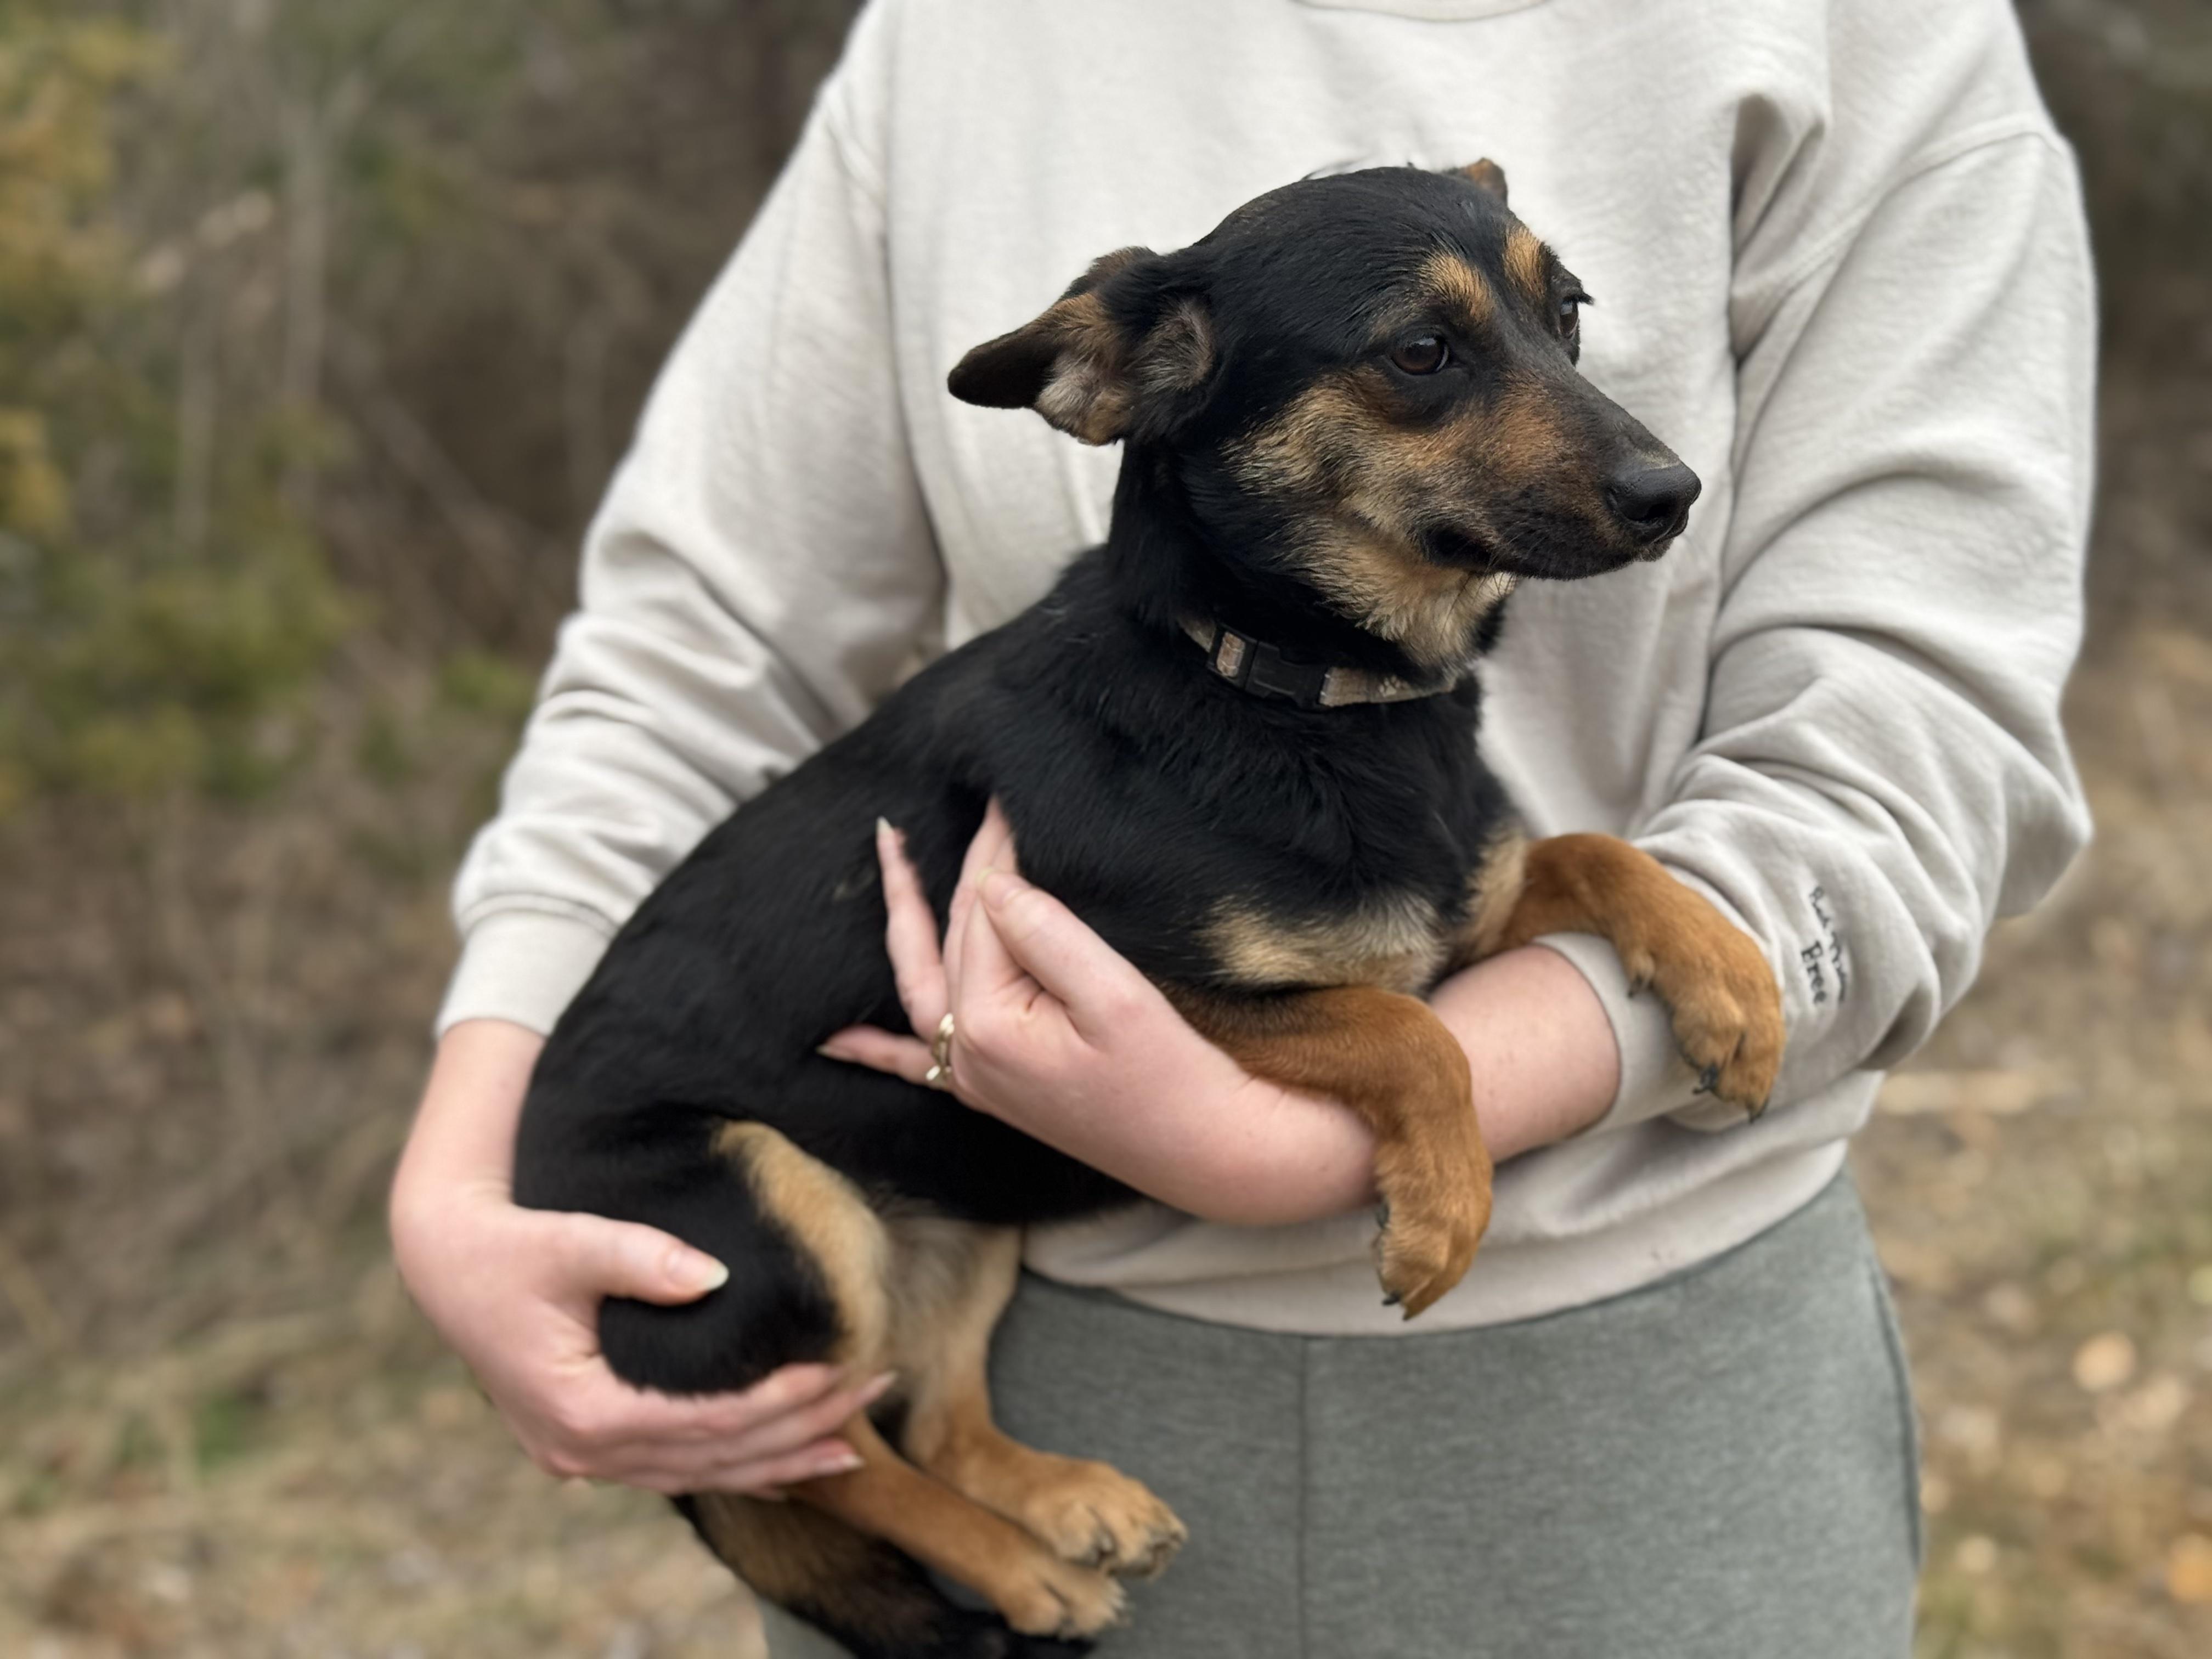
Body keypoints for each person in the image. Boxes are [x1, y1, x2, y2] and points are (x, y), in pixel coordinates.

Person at [388, 1, 2095, 1652]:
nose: (1614, 446)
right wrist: (460, 1182)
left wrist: (1397, 1096)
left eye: (1551, 321)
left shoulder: (1873, 34)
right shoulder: (958, 37)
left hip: (1652, 1392)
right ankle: (927, 1496)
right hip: (1014, 1329)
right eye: (1425, 360)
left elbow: (1925, 732)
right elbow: (692, 651)